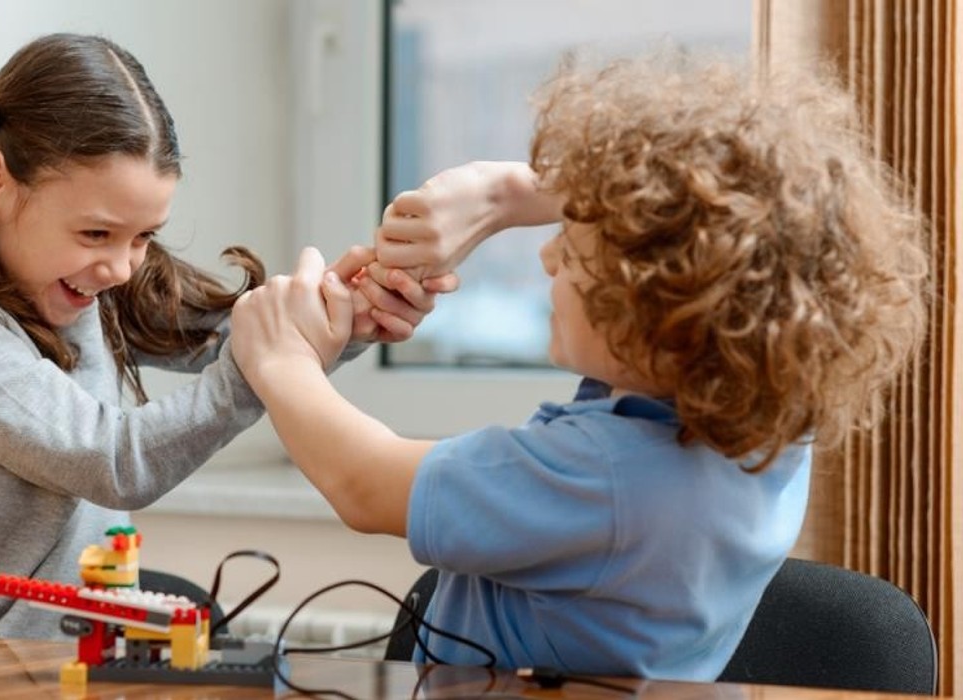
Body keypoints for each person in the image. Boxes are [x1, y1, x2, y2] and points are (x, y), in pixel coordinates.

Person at [230, 54, 927, 680]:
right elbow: (723, 216)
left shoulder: (612, 478)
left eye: (576, 251)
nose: (547, 257)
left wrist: (281, 360)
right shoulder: (754, 424)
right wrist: (502, 196)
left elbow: (365, 484)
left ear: (660, 317)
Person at [0, 33, 451, 639]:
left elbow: (234, 339)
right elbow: (113, 460)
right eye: (95, 234)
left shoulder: (86, 287)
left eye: (142, 237)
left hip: (83, 665)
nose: (120, 267)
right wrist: (274, 355)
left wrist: (347, 314)